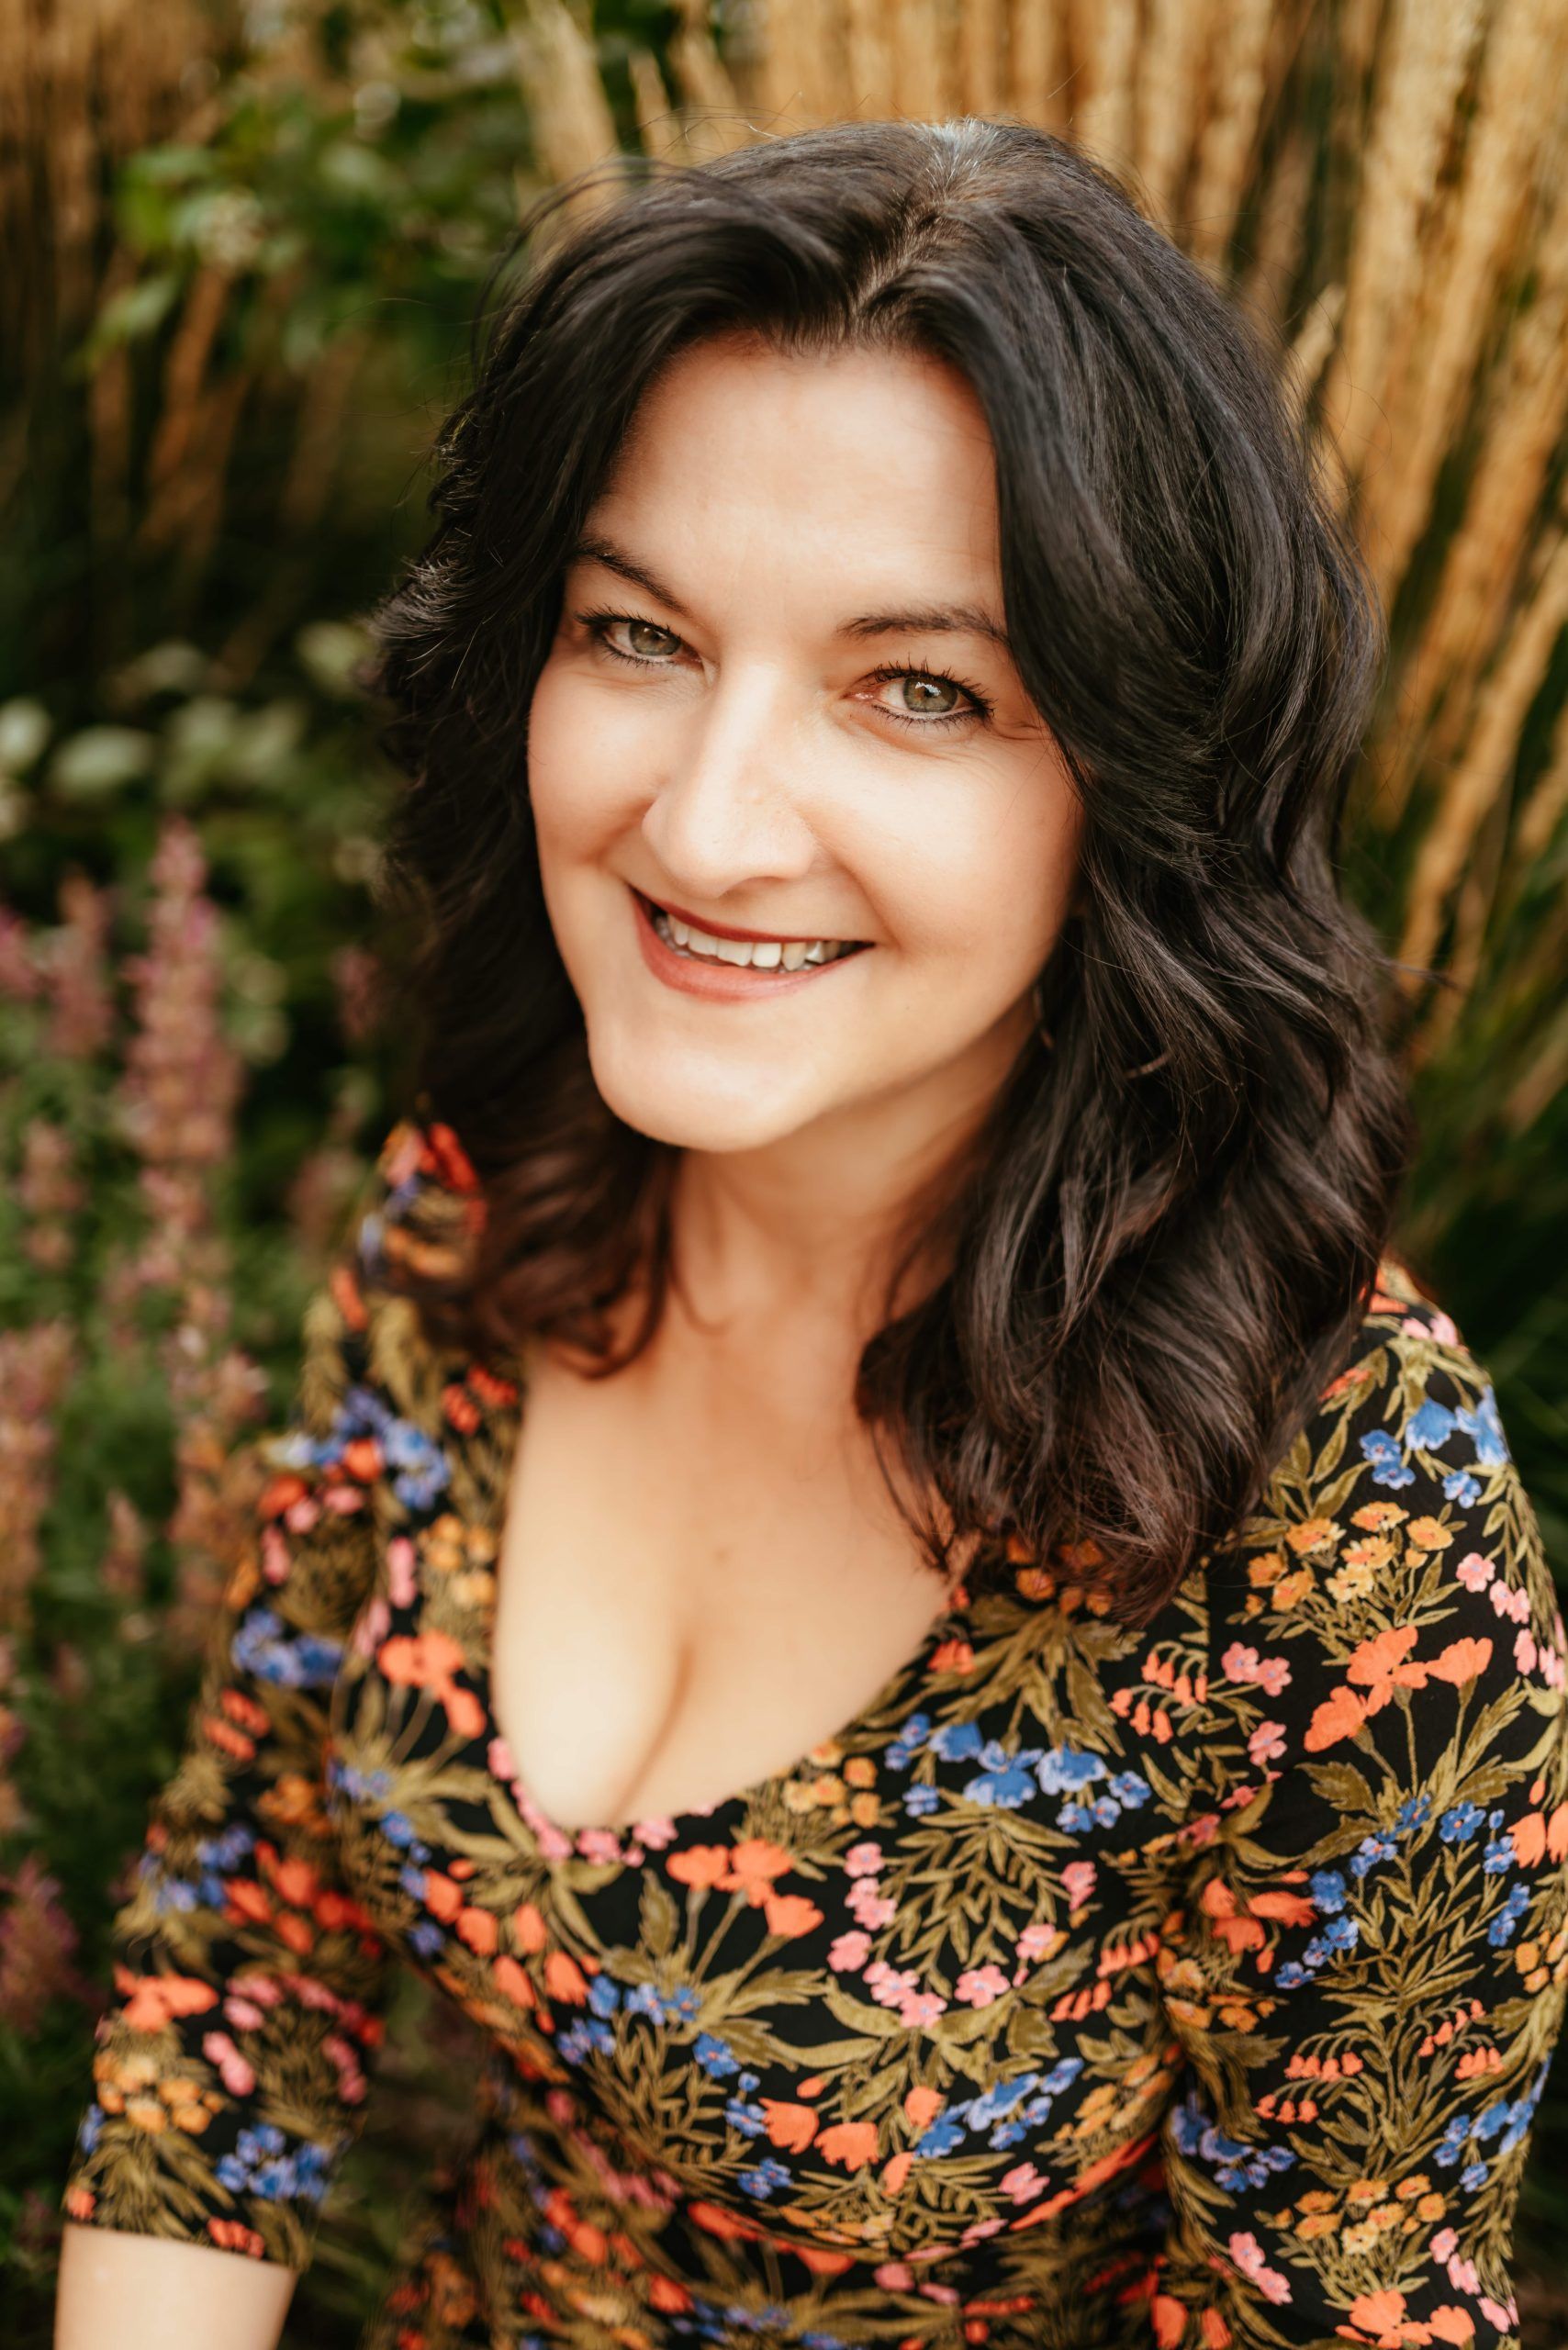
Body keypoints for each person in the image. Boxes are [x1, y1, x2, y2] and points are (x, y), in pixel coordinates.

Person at [54, 115, 1568, 2350]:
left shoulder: (1344, 1521)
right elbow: (248, 1943)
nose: (703, 818)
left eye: (916, 687)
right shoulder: (489, 1194)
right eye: (634, 633)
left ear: (1134, 780)